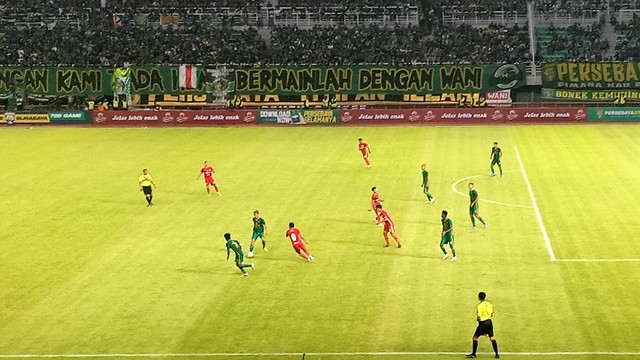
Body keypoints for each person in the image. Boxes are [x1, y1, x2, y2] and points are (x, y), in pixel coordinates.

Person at [467, 292, 500, 358]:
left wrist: (478, 320)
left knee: (475, 338)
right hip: (489, 322)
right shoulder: (489, 304)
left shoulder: (479, 306)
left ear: (479, 297)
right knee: (492, 337)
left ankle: (473, 354)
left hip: (483, 323)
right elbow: (491, 314)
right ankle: (497, 354)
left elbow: (479, 317)